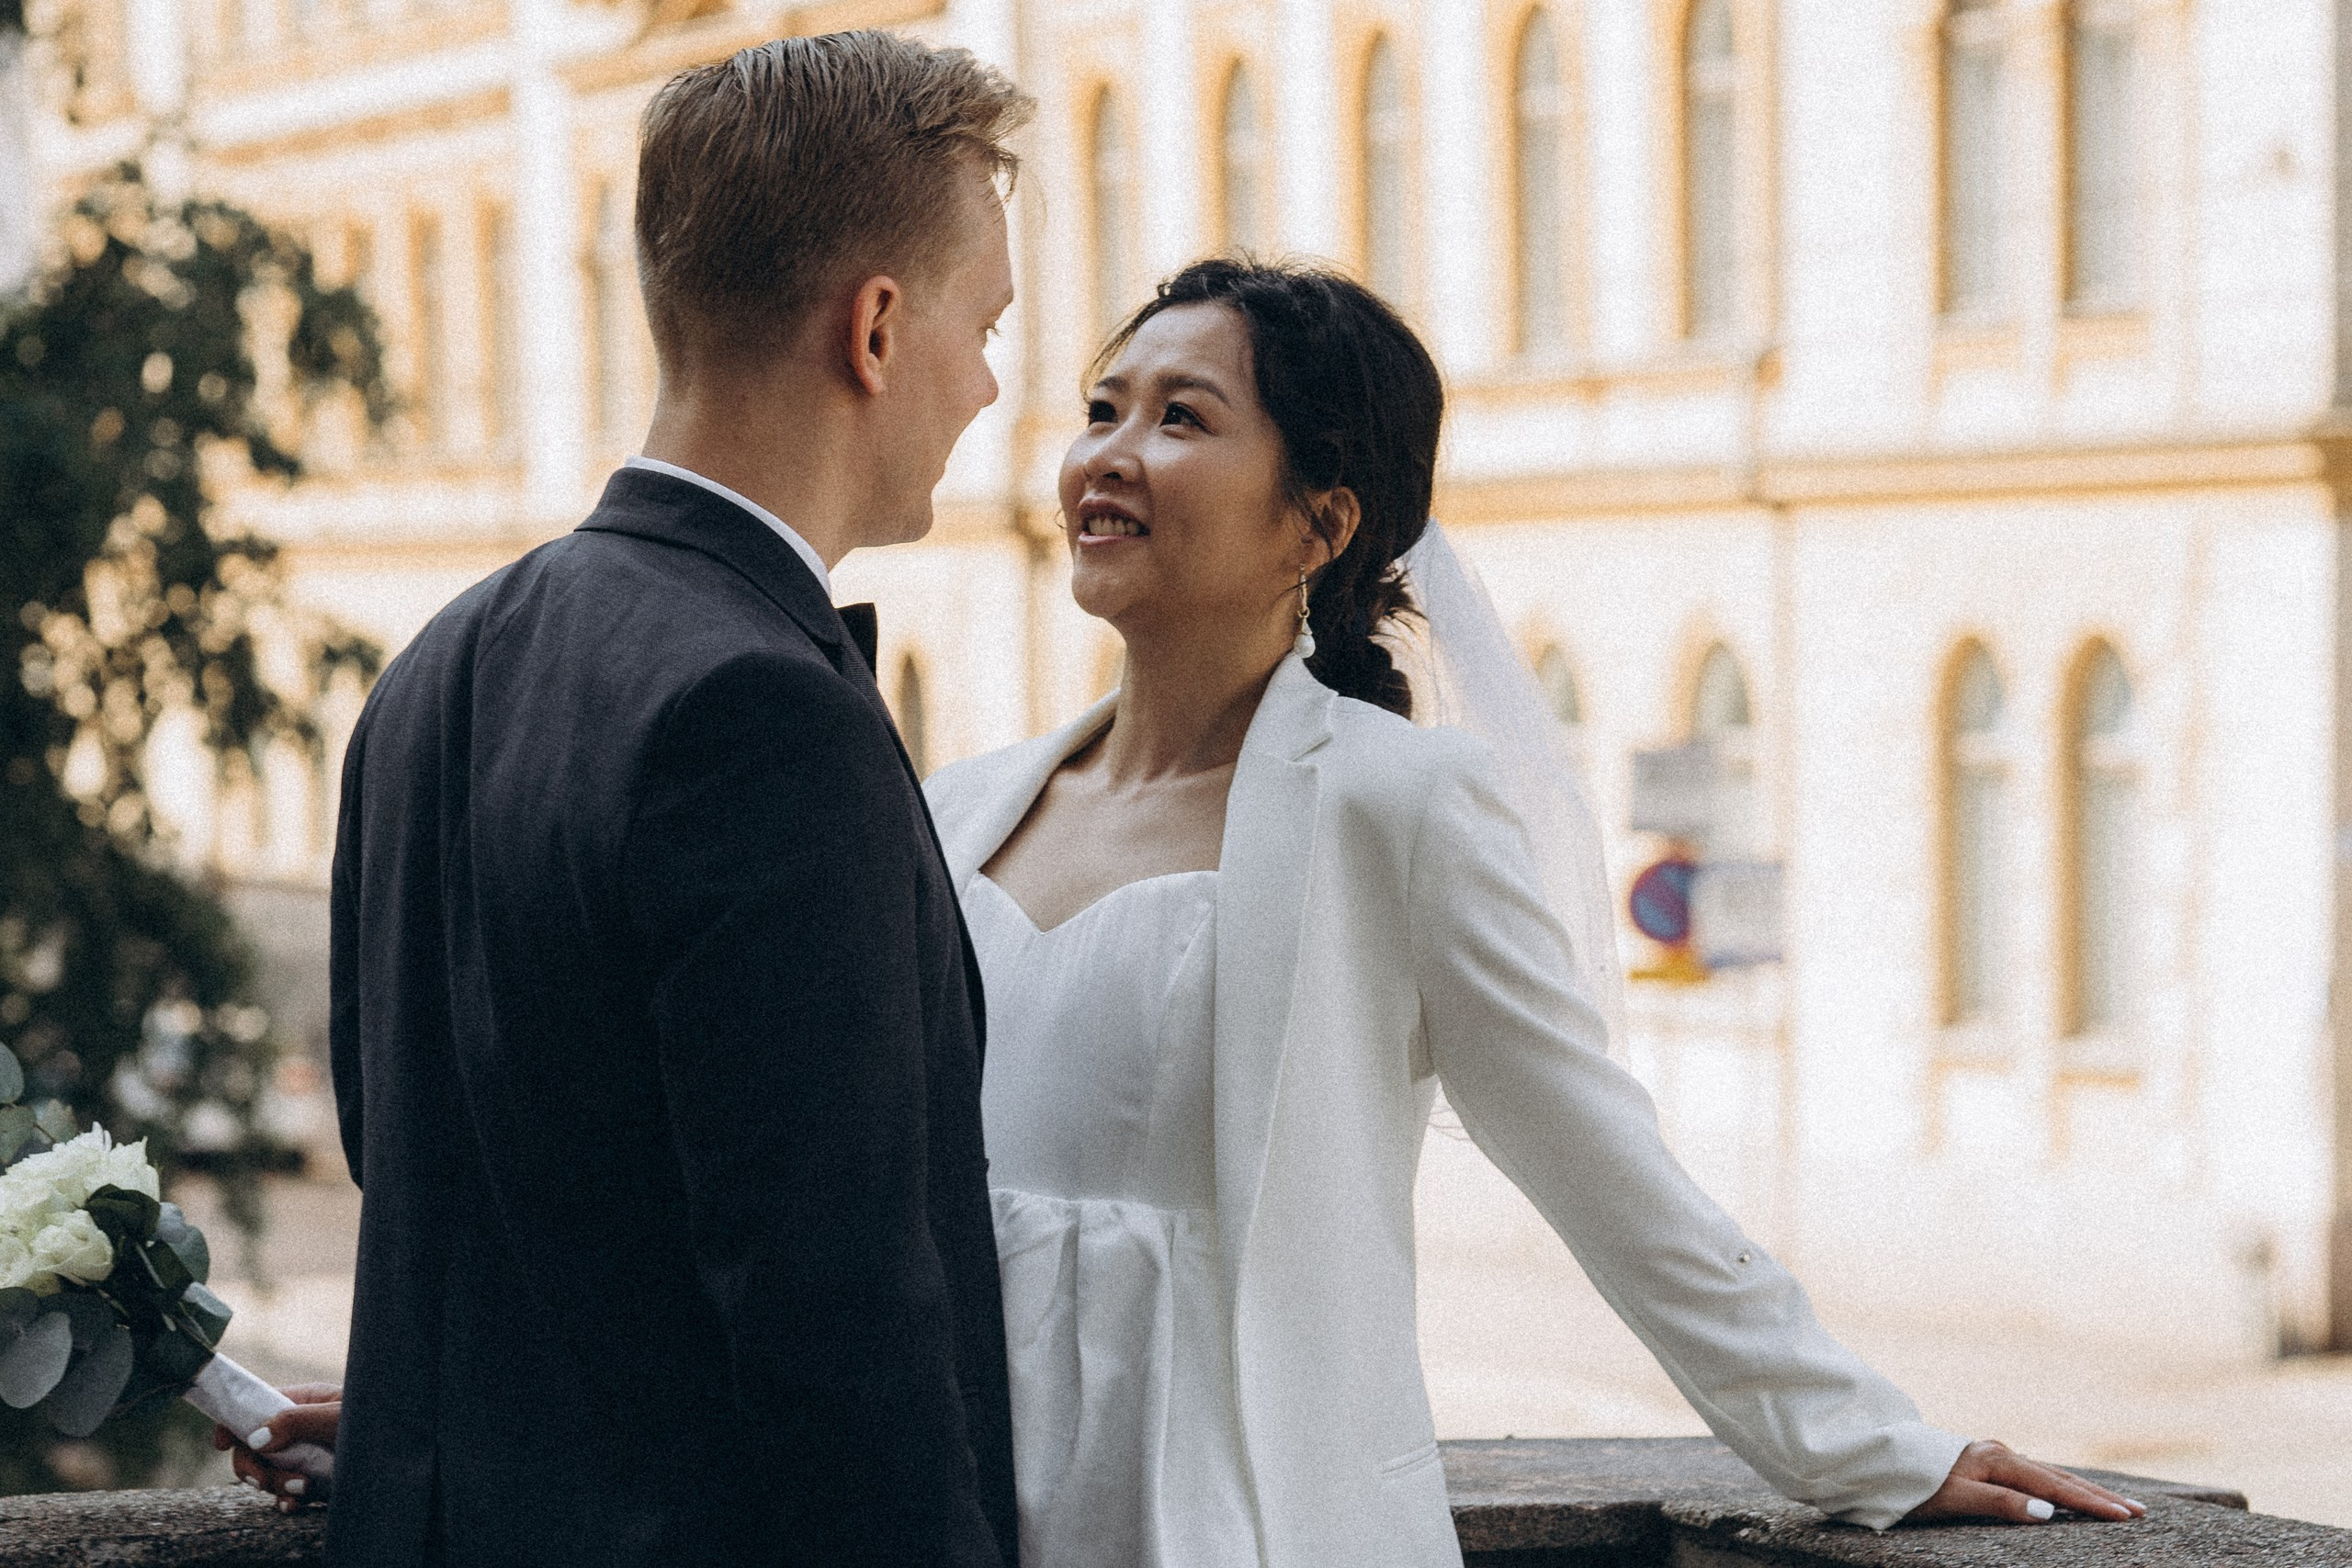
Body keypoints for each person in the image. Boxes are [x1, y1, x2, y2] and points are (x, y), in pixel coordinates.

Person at [919, 258, 2147, 1568]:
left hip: (1235, 1521)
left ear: (1320, 524)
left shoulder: (1395, 806)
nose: (1109, 454)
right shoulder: (958, 808)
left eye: (1182, 418)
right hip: (960, 1508)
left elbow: (1600, 1161)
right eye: (1104, 408)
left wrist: (1871, 1449)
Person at [220, 34, 1035, 1567]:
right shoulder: (764, 712)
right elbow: (834, 1319)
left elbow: (424, 1182)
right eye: (983, 324)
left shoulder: (432, 672)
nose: (993, 383)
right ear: (873, 328)